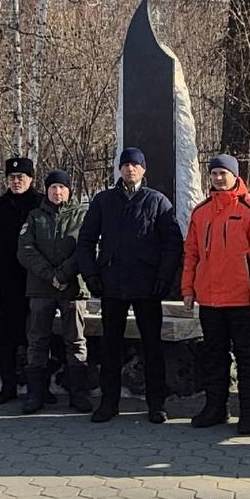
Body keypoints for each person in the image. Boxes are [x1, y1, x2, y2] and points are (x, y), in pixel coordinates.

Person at [76, 147, 183, 424]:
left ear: (143, 169)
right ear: (119, 169)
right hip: (112, 284)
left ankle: (156, 404)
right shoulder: (103, 201)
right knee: (110, 346)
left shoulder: (158, 201)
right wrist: (91, 275)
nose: (130, 169)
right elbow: (86, 240)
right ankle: (109, 404)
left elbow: (173, 244)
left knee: (152, 347)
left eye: (135, 165)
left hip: (147, 286)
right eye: (125, 165)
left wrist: (163, 278)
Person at [184, 154, 250, 435]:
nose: (218, 178)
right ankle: (216, 407)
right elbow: (191, 253)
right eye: (214, 174)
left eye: (223, 173)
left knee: (248, 358)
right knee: (214, 357)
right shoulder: (200, 212)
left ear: (236, 176)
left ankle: (248, 413)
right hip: (210, 300)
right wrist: (188, 289)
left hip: (243, 300)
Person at [16, 169, 91, 414]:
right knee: (37, 341)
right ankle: (35, 394)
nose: (57, 192)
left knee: (76, 341)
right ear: (46, 190)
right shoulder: (35, 216)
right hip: (40, 289)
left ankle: (78, 394)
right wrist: (50, 275)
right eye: (52, 188)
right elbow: (25, 250)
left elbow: (87, 248)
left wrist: (63, 274)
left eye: (62, 187)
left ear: (69, 190)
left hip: (73, 289)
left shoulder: (81, 215)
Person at [0, 156, 43, 406]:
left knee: (37, 336)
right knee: (7, 338)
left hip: (36, 282)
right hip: (6, 282)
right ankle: (8, 385)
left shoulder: (41, 204)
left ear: (31, 179)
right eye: (12, 178)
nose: (16, 181)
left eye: (21, 177)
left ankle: (38, 386)